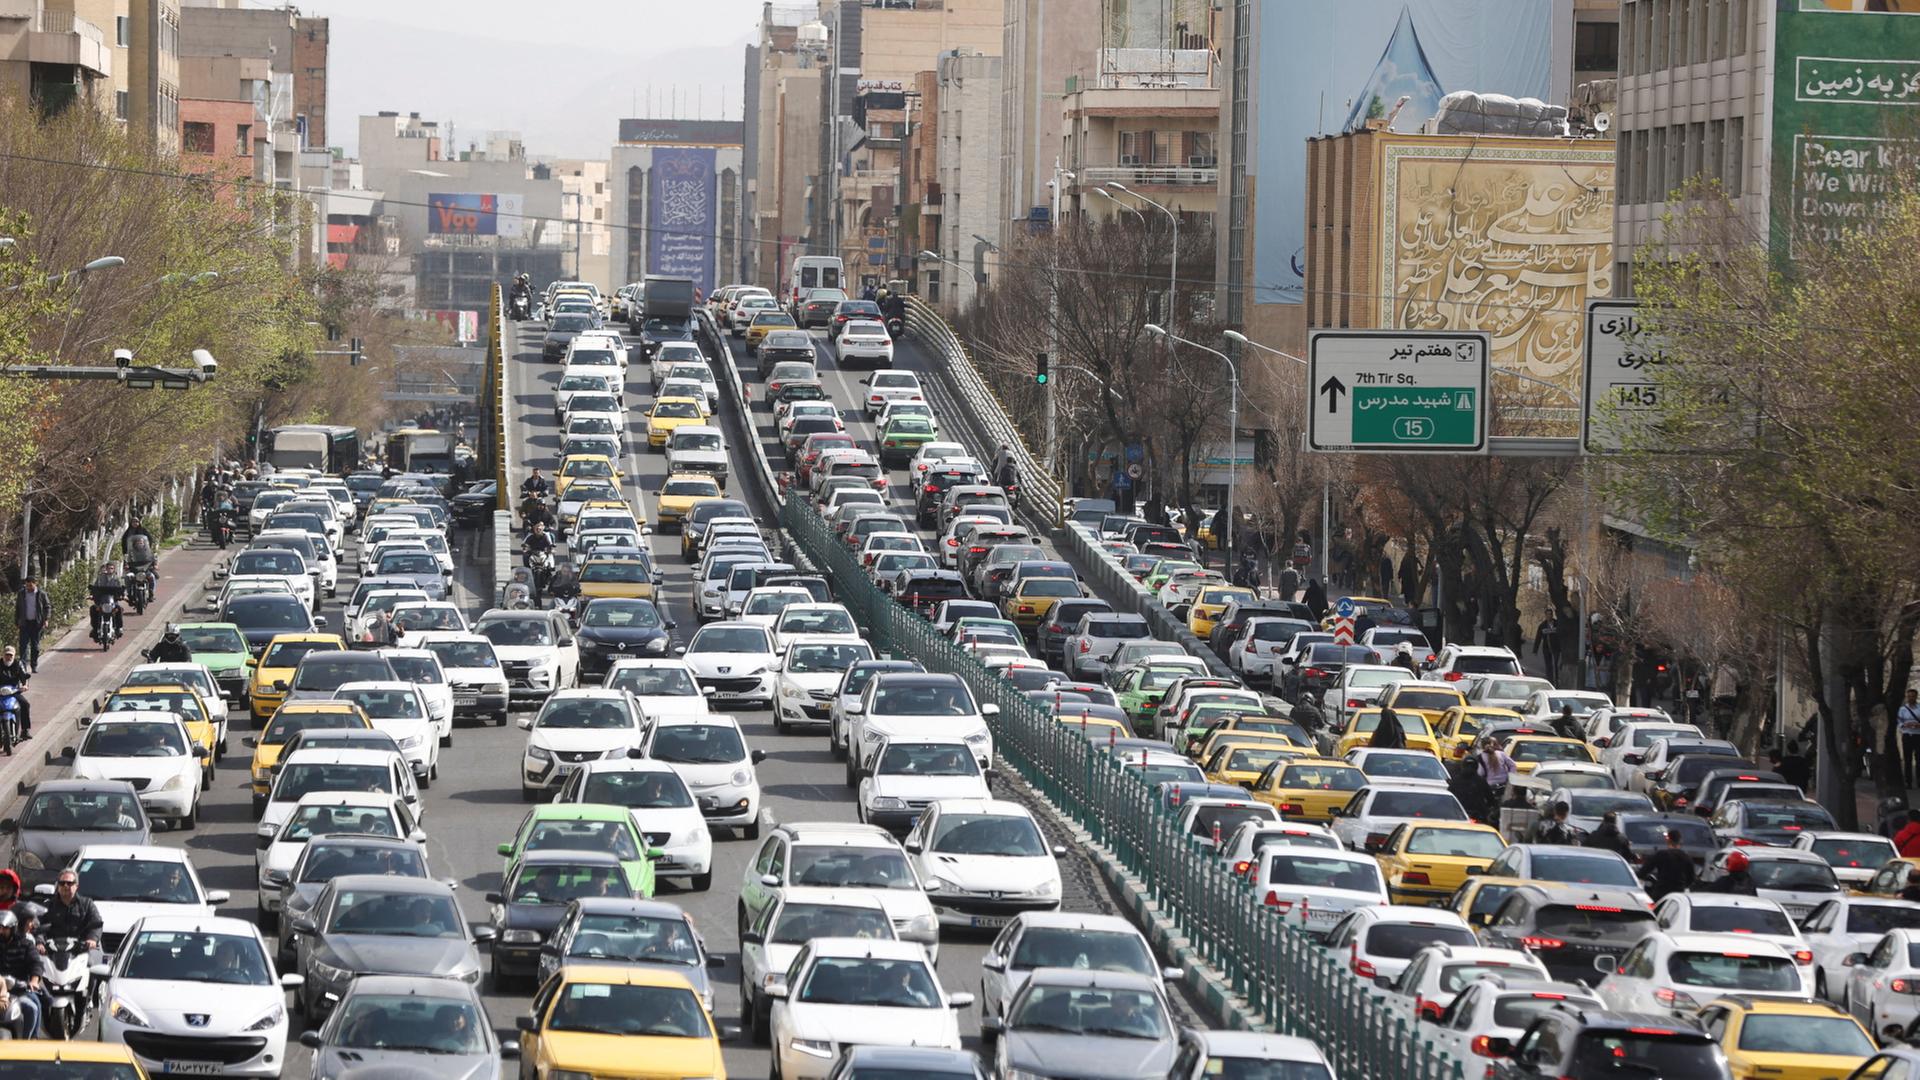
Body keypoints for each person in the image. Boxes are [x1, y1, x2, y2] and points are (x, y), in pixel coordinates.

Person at [39, 870, 101, 959]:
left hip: (79, 954)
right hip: (52, 955)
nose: (65, 886)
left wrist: (92, 939)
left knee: (89, 966)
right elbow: (38, 926)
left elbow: (96, 924)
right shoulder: (48, 906)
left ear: (76, 886)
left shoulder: (87, 904)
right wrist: (39, 942)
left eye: (69, 883)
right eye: (62, 883)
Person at [0, 910, 39, 1039]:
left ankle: (28, 1042)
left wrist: (33, 981)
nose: (1, 931)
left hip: (19, 989)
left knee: (32, 1007)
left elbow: (36, 964)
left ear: (13, 928)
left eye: (4, 928)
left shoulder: (26, 944)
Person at [1640, 828, 1697, 899]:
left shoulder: (1661, 854)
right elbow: (1691, 878)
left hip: (1661, 891)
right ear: (1680, 841)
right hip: (1678, 893)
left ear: (1668, 840)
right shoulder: (1686, 857)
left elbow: (1644, 870)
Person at [13, 578, 45, 672]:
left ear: (36, 584)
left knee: (35, 646)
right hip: (24, 623)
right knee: (23, 645)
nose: (28, 587)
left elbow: (47, 606)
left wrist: (46, 619)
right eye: (27, 585)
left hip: (36, 624)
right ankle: (23, 666)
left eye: (30, 585)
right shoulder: (21, 594)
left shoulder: (41, 594)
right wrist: (17, 621)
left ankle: (34, 665)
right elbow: (18, 608)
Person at [0, 647, 30, 743]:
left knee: (25, 704)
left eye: (10, 655)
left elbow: (23, 676)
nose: (8, 657)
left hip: (14, 691)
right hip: (0, 691)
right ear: (3, 655)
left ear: (14, 655)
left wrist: (24, 685)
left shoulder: (18, 664)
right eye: (6, 655)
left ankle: (25, 730)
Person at [1900, 689, 1920, 788]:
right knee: (1907, 760)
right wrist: (1906, 724)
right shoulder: (1902, 709)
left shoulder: (1919, 708)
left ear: (1916, 696)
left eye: (1913, 696)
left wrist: (1917, 725)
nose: (1911, 698)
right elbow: (1899, 722)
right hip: (1907, 736)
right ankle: (1908, 782)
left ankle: (1919, 781)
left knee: (1919, 759)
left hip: (1918, 736)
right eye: (1909, 696)